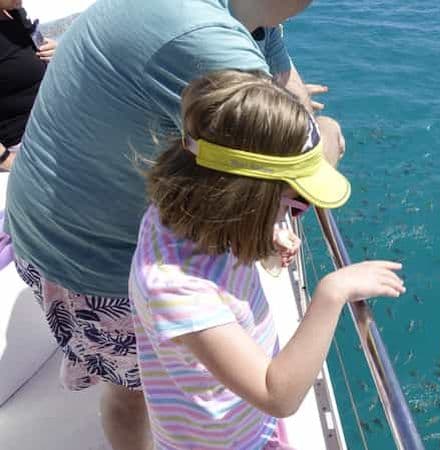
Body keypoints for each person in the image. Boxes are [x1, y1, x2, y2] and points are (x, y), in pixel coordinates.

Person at [3, 1, 345, 449]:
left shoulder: (241, 13)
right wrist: (330, 136)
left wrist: (294, 116)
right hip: (90, 269)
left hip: (48, 220)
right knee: (133, 392)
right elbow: (297, 169)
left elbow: (282, 104)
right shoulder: (207, 43)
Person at [130, 69, 404, 449]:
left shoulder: (187, 215)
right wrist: (332, 291)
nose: (295, 213)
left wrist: (266, 228)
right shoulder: (176, 285)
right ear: (242, 199)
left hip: (243, 421)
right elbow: (277, 395)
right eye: (293, 202)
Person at [0, 0, 57, 171]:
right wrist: (8, 161)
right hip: (30, 147)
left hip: (57, 126)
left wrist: (56, 52)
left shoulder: (14, 13)